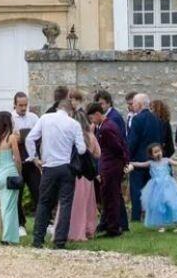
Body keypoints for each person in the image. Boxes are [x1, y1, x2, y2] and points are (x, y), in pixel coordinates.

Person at [25, 87, 87, 249]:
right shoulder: (73, 124)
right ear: (70, 111)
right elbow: (81, 149)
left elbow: (30, 139)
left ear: (58, 107)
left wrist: (34, 158)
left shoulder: (45, 119)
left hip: (49, 166)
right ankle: (60, 241)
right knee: (65, 203)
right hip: (66, 167)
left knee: (44, 203)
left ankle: (38, 239)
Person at [62, 92, 100, 242]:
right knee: (87, 203)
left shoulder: (70, 136)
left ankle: (71, 230)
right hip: (86, 174)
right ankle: (88, 229)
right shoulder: (90, 136)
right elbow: (98, 154)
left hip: (73, 172)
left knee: (73, 203)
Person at [88, 101, 128, 237]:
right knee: (108, 196)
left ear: (98, 114)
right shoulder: (106, 126)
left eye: (92, 118)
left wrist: (121, 162)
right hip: (110, 165)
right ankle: (108, 224)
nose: (92, 121)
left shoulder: (106, 128)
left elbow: (117, 147)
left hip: (111, 166)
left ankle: (113, 228)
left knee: (111, 197)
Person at [130, 143, 177, 232]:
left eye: (159, 151)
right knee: (158, 206)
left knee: (173, 204)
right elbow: (140, 164)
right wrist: (130, 162)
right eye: (155, 152)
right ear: (151, 155)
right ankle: (161, 225)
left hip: (168, 187)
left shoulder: (166, 160)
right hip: (156, 188)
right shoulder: (151, 163)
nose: (158, 153)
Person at [0, 111, 23, 245]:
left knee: (3, 205)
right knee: (10, 207)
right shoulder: (11, 138)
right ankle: (7, 238)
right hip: (10, 172)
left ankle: (4, 234)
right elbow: (18, 159)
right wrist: (19, 173)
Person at [126, 94, 163, 221]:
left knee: (137, 190)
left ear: (140, 104)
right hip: (153, 159)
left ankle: (136, 216)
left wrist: (127, 157)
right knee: (152, 189)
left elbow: (133, 141)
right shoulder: (156, 119)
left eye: (134, 103)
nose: (133, 106)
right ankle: (152, 215)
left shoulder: (137, 119)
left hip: (138, 160)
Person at [12, 91, 41, 237]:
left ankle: (43, 222)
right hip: (17, 161)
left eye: (25, 105)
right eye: (20, 105)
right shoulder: (11, 119)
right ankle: (20, 224)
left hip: (32, 159)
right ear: (15, 105)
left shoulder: (34, 117)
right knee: (18, 193)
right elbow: (8, 139)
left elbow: (40, 135)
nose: (23, 108)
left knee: (38, 191)